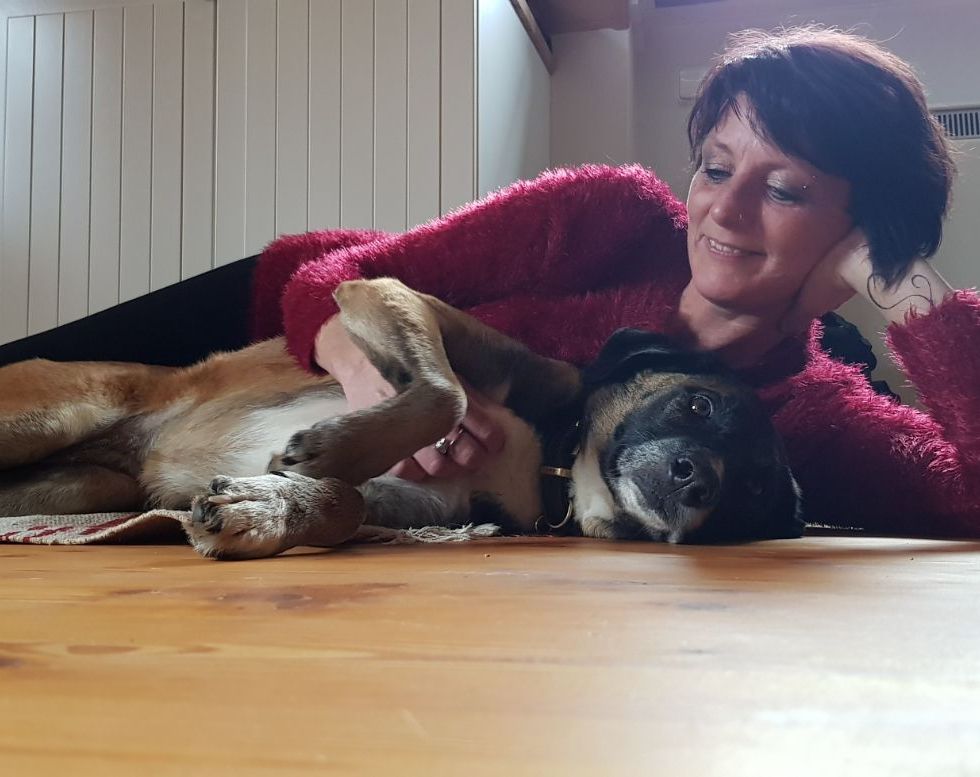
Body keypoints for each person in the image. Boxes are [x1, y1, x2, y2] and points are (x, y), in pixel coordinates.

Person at [2, 26, 977, 537]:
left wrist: (903, 286)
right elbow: (333, 283)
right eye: (716, 167)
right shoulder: (614, 213)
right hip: (283, 323)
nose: (722, 211)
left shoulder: (803, 420)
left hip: (276, 455)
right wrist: (378, 393)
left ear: (861, 231)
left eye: (786, 189)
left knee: (78, 491)